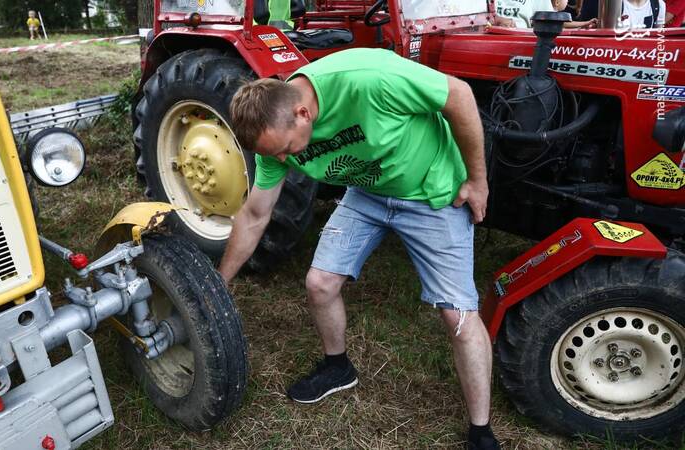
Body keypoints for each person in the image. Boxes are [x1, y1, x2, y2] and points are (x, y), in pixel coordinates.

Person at [220, 48, 500, 450]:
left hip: (432, 192)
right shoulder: (273, 138)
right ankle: (338, 367)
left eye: (285, 149)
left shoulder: (368, 78)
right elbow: (254, 216)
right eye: (273, 155)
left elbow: (458, 94)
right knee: (319, 283)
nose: (282, 160)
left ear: (302, 113)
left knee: (457, 314)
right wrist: (220, 283)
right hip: (368, 193)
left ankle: (481, 430)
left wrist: (477, 179)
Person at [493, 0, 597, 28]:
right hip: (489, 35)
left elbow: (553, 23)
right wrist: (496, 19)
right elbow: (553, 22)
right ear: (557, 2)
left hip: (517, 37)